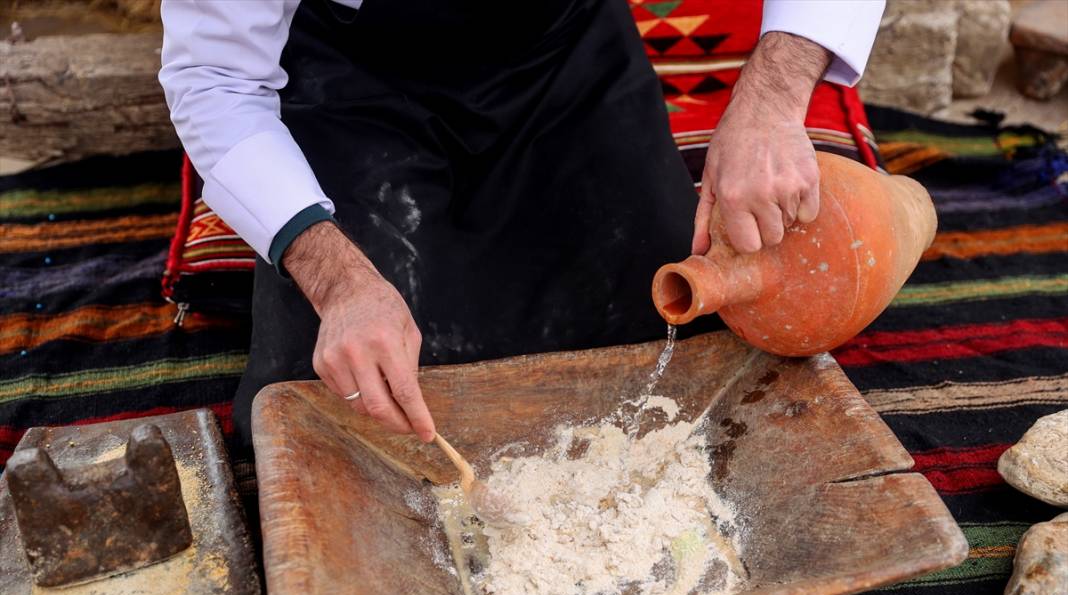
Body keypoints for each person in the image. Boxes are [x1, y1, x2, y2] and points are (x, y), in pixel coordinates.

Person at [159, 0, 885, 448]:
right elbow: (214, 81)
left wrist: (771, 96)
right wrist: (336, 277)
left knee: (678, 332)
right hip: (353, 79)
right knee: (333, 408)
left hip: (562, 57)